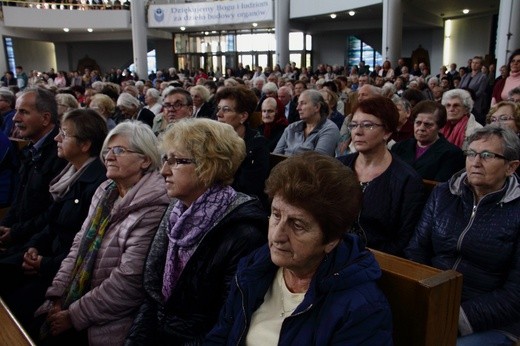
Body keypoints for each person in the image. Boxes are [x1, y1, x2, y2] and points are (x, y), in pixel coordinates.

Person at [205, 152, 393, 345]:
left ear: (331, 240)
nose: (277, 236)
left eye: (297, 225)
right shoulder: (254, 266)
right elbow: (221, 336)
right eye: (276, 215)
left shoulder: (362, 309)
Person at [126, 118, 267, 345]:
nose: (163, 171)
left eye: (177, 161)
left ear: (209, 166)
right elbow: (154, 298)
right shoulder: (177, 211)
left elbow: (225, 324)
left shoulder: (244, 233)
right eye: (164, 160)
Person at [33, 121, 170, 345]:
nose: (109, 156)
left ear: (145, 160)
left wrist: (74, 315)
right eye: (107, 151)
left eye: (119, 150)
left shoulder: (154, 207)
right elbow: (78, 247)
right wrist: (57, 294)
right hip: (77, 298)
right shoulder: (105, 191)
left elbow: (129, 281)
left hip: (113, 320)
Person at [406, 126, 520, 346]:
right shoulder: (444, 193)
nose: (476, 162)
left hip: (493, 318)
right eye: (471, 153)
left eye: (487, 156)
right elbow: (416, 249)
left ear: (511, 167)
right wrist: (421, 297)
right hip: (433, 299)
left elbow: (516, 294)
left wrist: (453, 318)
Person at [0, 109, 108, 330]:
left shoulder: (96, 183)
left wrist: (42, 263)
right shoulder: (70, 173)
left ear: (85, 145)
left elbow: (81, 245)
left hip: (59, 270)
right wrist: (32, 247)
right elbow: (52, 222)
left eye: (64, 134)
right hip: (44, 255)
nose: (57, 138)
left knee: (14, 305)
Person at [338, 96, 424, 256]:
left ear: (387, 132)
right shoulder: (339, 166)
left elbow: (404, 239)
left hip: (379, 261)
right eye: (354, 125)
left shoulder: (406, 180)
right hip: (332, 251)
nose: (357, 131)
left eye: (367, 125)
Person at [0, 88, 67, 254]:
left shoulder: (60, 154)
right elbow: (20, 198)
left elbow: (52, 212)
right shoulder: (32, 149)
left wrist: (15, 233)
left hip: (38, 246)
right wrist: (5, 226)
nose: (15, 118)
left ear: (45, 118)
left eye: (23, 112)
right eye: (16, 111)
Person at [215, 86, 270, 207]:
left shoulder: (257, 145)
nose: (218, 114)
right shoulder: (214, 140)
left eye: (226, 110)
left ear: (243, 116)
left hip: (244, 205)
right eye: (219, 109)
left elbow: (248, 189)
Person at [392, 100, 465, 181]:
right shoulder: (399, 147)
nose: (421, 128)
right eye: (418, 123)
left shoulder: (452, 154)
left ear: (439, 126)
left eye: (428, 124)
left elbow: (439, 187)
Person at [274, 89, 340, 156]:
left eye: (303, 103)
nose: (297, 108)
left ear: (317, 107)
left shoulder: (329, 129)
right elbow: (276, 156)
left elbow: (318, 161)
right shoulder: (291, 128)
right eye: (298, 103)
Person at [459, 56, 489, 124]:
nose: (474, 64)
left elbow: (480, 91)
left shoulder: (483, 76)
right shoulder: (466, 75)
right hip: (462, 102)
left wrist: (469, 98)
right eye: (473, 62)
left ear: (481, 65)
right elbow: (459, 87)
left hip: (475, 103)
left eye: (477, 63)